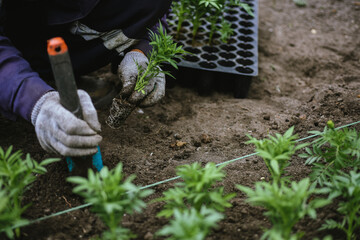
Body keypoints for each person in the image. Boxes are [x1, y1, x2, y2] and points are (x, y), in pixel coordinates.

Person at [0, 0, 171, 157]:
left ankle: (51, 77)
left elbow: (154, 10)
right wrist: (31, 98)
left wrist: (142, 50)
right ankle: (26, 80)